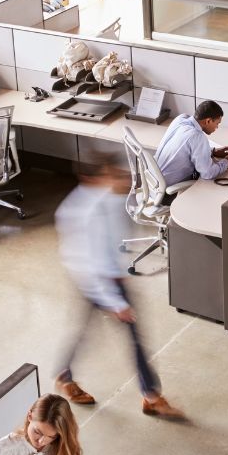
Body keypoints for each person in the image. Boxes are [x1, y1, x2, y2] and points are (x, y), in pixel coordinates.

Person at [53, 156, 184, 418]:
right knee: (133, 337)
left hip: (110, 277)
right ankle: (151, 396)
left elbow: (114, 243)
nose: (124, 180)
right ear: (92, 180)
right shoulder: (81, 214)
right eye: (113, 175)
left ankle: (64, 375)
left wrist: (121, 271)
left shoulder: (111, 199)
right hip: (94, 281)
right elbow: (88, 264)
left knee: (86, 330)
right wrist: (116, 303)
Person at [156, 100, 228, 189]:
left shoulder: (181, 119)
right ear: (208, 121)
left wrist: (213, 151)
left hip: (154, 180)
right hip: (167, 188)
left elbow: (188, 147)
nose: (217, 127)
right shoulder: (197, 136)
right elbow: (208, 173)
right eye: (217, 123)